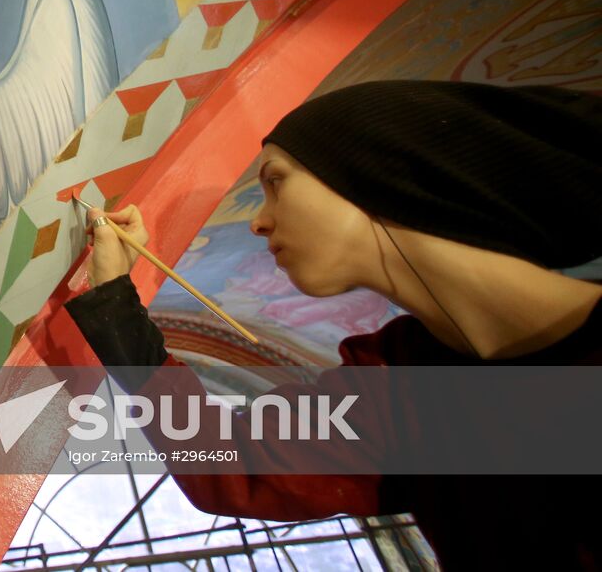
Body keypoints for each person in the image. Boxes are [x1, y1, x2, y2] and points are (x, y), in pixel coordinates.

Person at [64, 80, 602, 569]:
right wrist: (115, 303)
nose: (257, 219)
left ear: (375, 171)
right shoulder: (396, 388)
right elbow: (233, 461)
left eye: (276, 181)